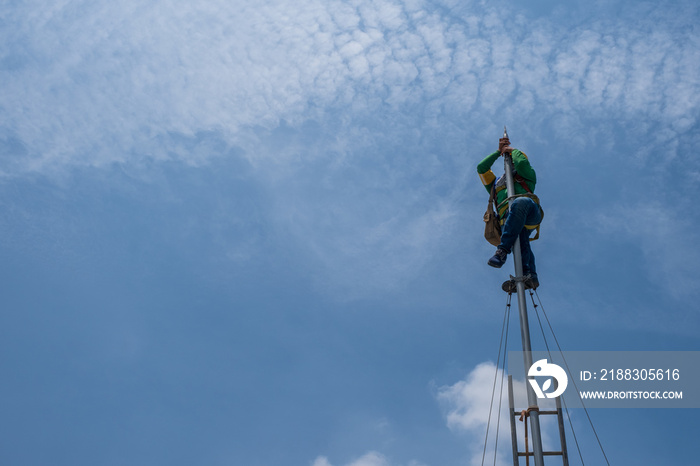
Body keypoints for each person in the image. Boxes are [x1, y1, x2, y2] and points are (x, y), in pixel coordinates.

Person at [477, 136, 542, 290]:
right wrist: (498, 152)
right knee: (520, 238)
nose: (513, 162)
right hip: (508, 221)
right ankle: (530, 275)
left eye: (513, 159)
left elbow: (521, 163)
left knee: (521, 202)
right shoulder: (496, 184)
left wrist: (513, 151)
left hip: (529, 213)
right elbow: (481, 168)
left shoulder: (527, 174)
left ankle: (502, 251)